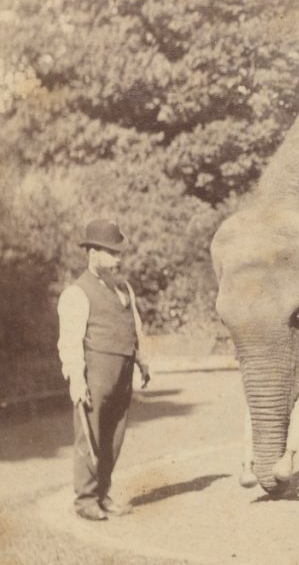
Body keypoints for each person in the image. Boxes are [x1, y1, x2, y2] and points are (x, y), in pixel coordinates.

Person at [57, 219, 150, 521]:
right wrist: (76, 379)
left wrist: (141, 361)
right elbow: (69, 340)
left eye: (119, 253)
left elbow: (134, 326)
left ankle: (102, 494)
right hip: (95, 372)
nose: (117, 259)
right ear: (93, 252)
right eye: (111, 253)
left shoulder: (124, 288)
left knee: (115, 436)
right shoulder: (76, 292)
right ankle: (85, 499)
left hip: (122, 370)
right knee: (91, 435)